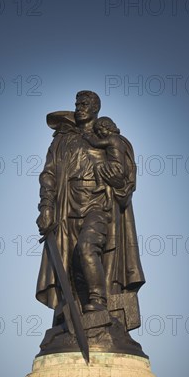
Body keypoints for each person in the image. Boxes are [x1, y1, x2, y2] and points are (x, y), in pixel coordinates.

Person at [36, 90, 144, 323]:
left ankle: (99, 302)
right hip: (67, 210)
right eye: (77, 103)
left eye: (85, 103)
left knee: (87, 249)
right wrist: (46, 205)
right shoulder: (62, 140)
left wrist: (118, 182)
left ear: (96, 107)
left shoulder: (113, 141)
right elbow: (49, 175)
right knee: (72, 266)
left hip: (99, 207)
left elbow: (127, 181)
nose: (79, 107)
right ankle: (78, 316)